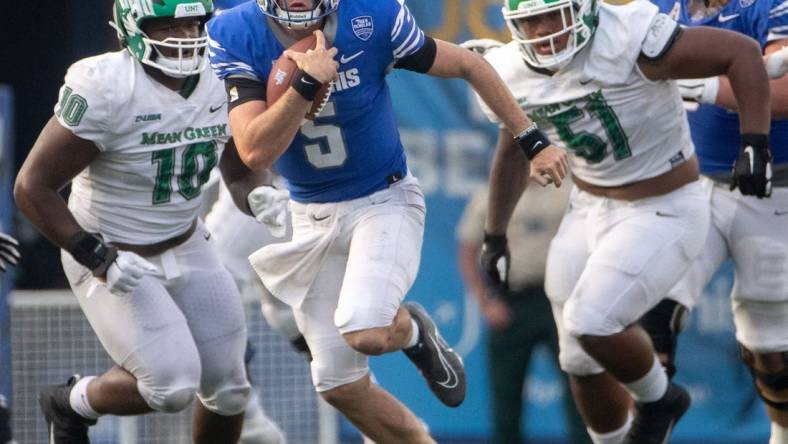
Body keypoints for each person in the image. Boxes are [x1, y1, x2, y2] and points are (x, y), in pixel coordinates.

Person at [206, 0, 568, 441]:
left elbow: (470, 65)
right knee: (337, 384)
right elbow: (255, 151)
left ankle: (412, 330)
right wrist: (304, 83)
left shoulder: (371, 17)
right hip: (309, 214)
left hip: (383, 198)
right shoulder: (234, 32)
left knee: (367, 332)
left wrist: (531, 140)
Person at [474, 0, 771, 443]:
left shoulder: (629, 36)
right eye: (528, 20)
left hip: (664, 205)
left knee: (590, 320)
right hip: (587, 209)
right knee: (576, 358)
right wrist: (494, 236)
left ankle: (661, 399)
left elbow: (742, 53)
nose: (541, 31)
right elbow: (513, 149)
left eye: (551, 15)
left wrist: (754, 143)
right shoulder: (509, 69)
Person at [13, 1, 282, 442]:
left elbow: (239, 161)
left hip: (188, 240)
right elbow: (32, 187)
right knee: (173, 386)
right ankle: (72, 402)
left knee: (231, 390)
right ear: (132, 29)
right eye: (168, 25)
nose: (184, 35)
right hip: (111, 251)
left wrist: (258, 193)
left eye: (192, 23)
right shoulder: (106, 87)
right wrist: (96, 256)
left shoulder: (222, 69)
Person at [637, 1, 788, 443]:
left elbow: (783, 92)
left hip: (770, 183)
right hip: (689, 181)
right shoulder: (654, 9)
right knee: (648, 301)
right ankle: (646, 430)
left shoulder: (769, 5)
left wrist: (706, 86)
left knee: (771, 344)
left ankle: (781, 430)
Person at [456, 181, 590, 444]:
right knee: (506, 395)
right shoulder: (490, 195)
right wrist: (486, 303)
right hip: (512, 303)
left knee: (581, 385)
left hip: (561, 300)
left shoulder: (569, 190)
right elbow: (467, 250)